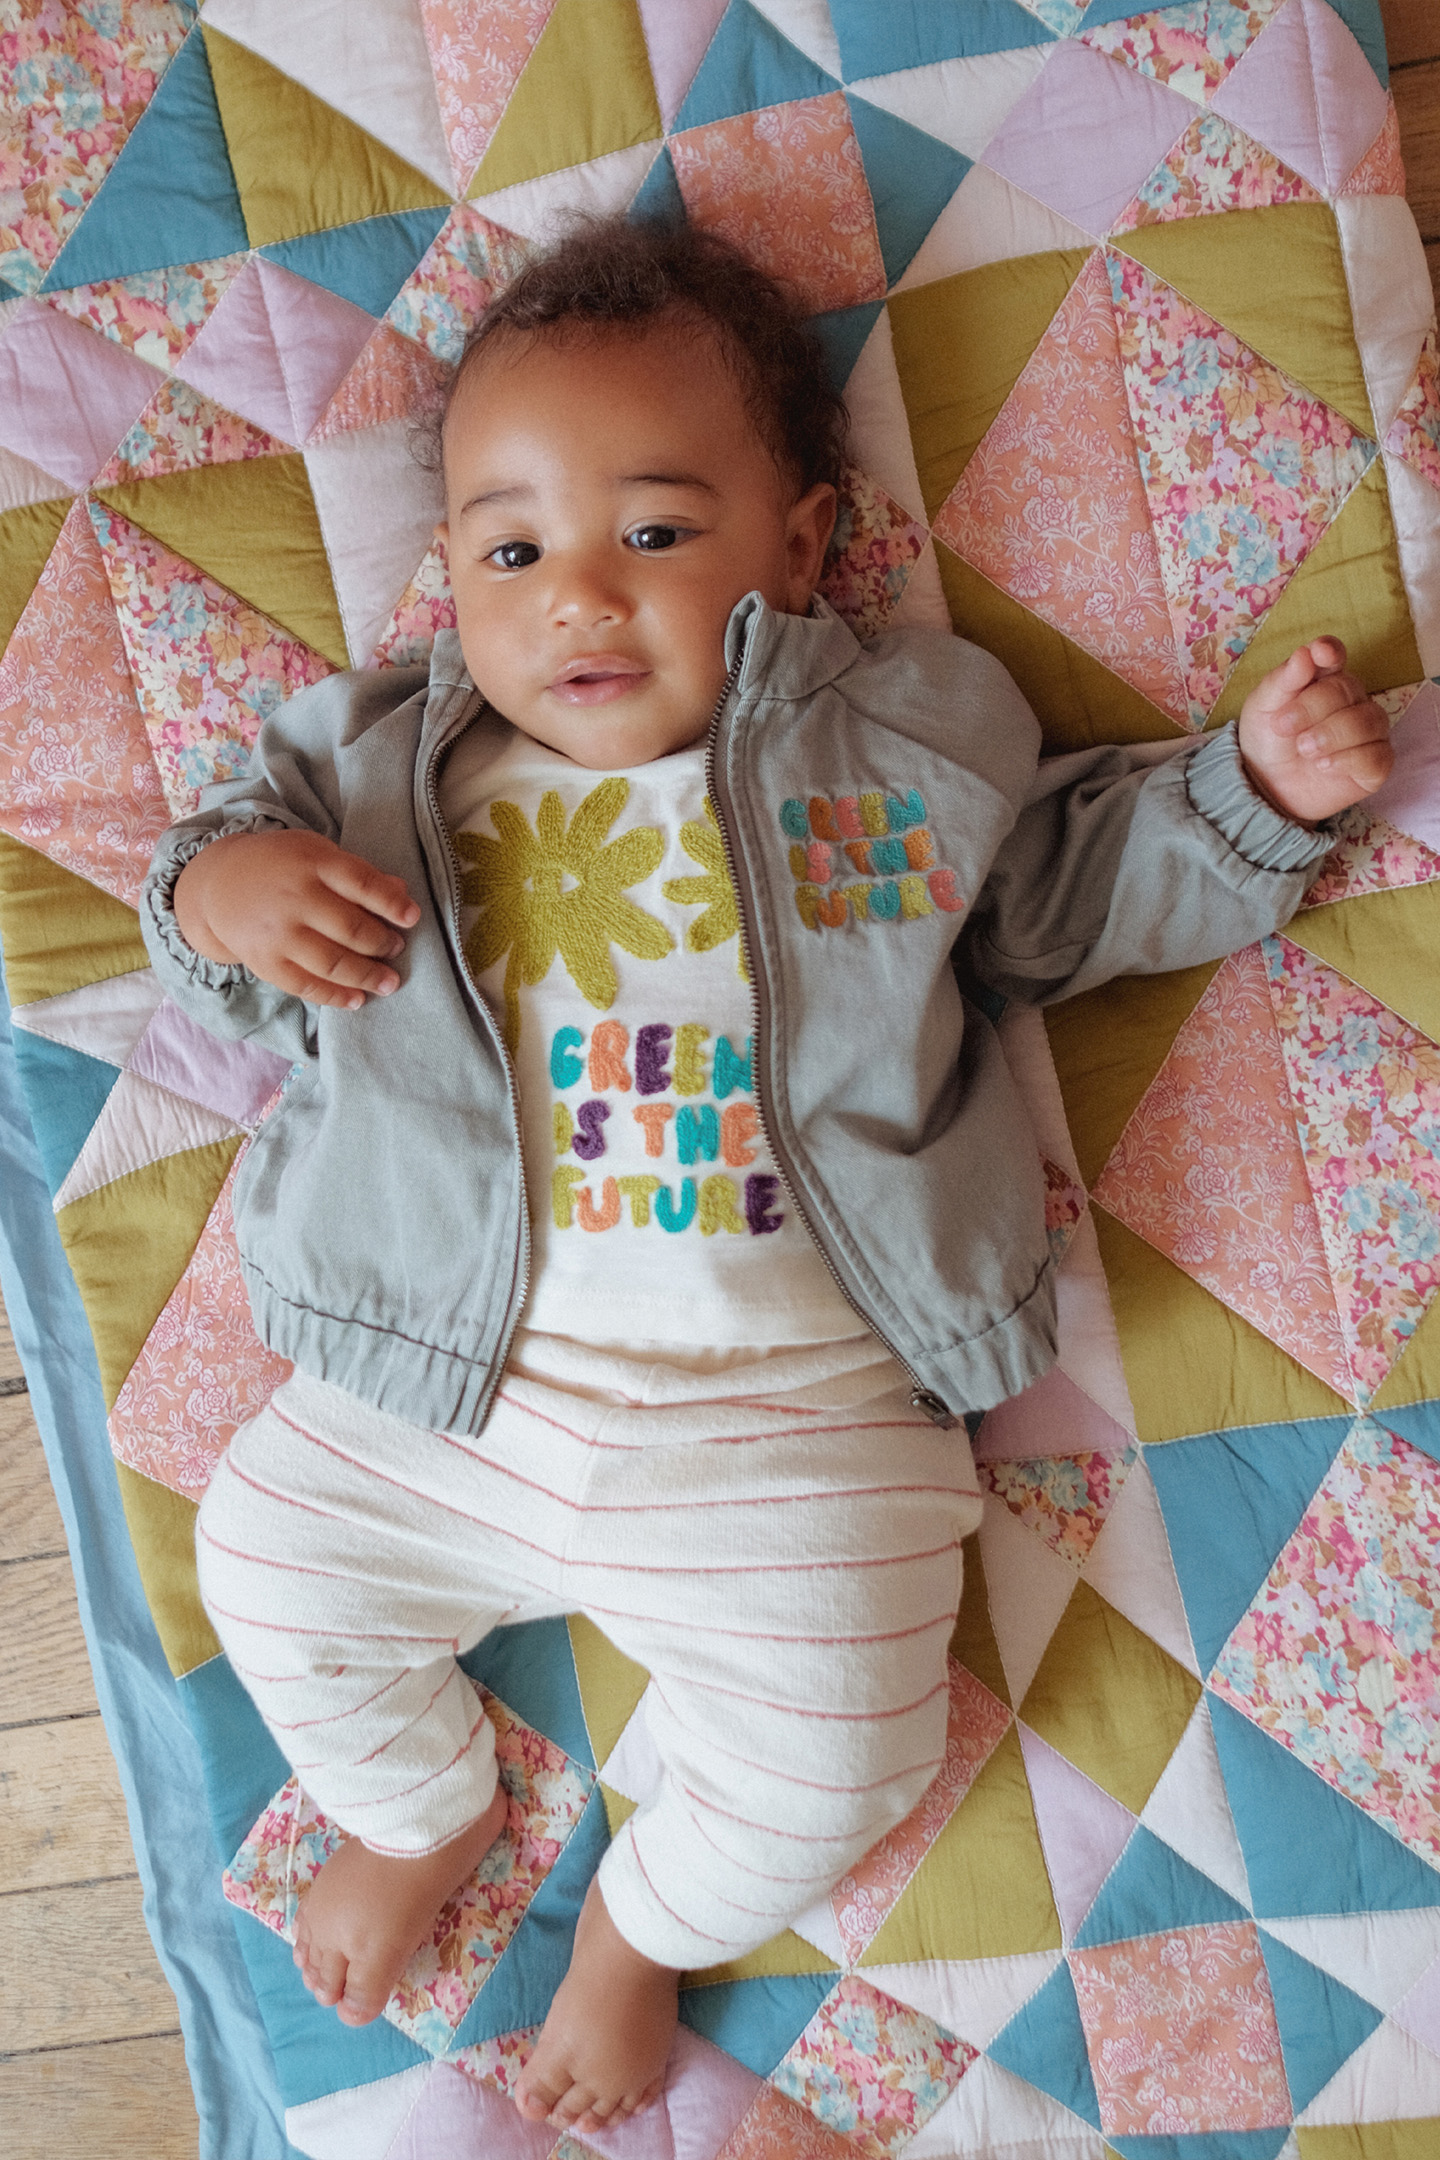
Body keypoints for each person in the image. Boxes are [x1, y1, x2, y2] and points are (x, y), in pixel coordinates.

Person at [141, 217, 1392, 2136]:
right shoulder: (378, 771)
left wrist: (1252, 799)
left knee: (848, 1740)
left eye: (653, 532)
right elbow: (217, 903)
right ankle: (421, 1809)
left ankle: (640, 1927)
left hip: (793, 1419)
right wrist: (231, 890)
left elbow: (1066, 884)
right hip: (438, 1388)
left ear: (801, 550)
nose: (580, 596)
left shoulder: (896, 753)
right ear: (448, 573)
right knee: (258, 1549)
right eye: (511, 552)